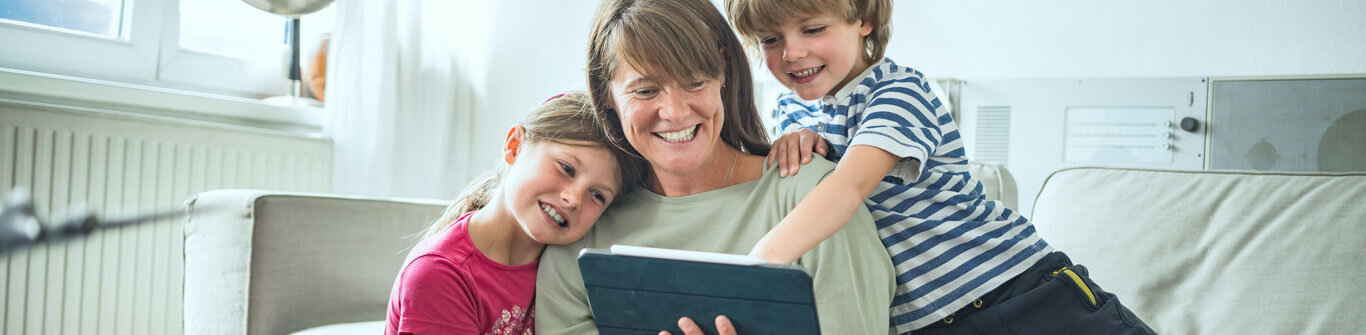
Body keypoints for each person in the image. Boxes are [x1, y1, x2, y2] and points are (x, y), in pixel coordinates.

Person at [724, 0, 1158, 333]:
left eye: (813, 29)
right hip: (925, 323)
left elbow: (849, 186)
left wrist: (758, 264)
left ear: (862, 18)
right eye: (770, 40)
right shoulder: (790, 114)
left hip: (1019, 291)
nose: (791, 53)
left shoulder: (897, 92)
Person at [534, 0, 896, 334]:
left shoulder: (816, 202)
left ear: (723, 70)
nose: (675, 112)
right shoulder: (581, 221)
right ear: (606, 95)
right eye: (645, 91)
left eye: (695, 82)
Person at [384, 93, 643, 335]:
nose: (574, 199)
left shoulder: (570, 268)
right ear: (515, 146)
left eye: (597, 196)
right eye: (566, 169)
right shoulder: (440, 275)